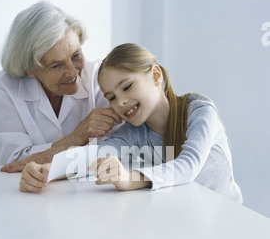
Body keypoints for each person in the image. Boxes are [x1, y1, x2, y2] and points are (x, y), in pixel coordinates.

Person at [19, 43, 243, 204]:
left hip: (227, 220)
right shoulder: (134, 132)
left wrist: (129, 179)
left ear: (156, 76)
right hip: (187, 222)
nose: (121, 101)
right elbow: (94, 155)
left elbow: (188, 166)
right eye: (112, 97)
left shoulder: (199, 111)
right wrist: (46, 171)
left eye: (126, 87)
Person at [0, 1, 122, 171]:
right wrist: (75, 138)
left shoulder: (100, 76)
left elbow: (121, 142)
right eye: (56, 65)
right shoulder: (1, 89)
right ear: (29, 68)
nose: (72, 73)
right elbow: (13, 163)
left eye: (76, 55)